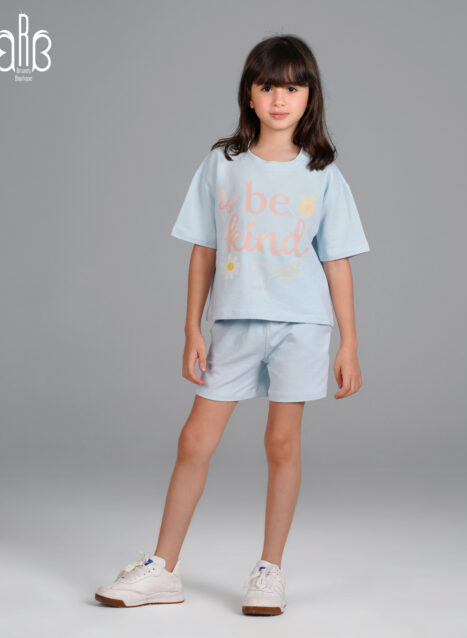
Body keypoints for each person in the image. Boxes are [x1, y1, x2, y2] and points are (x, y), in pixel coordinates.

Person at [95, 33, 371, 616]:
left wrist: (350, 342)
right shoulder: (223, 164)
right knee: (195, 440)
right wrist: (192, 329)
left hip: (301, 325)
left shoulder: (322, 172)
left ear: (310, 97)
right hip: (233, 324)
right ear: (249, 94)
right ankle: (163, 568)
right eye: (268, 87)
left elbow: (336, 261)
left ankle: (269, 569)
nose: (280, 99)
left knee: (281, 443)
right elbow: (203, 250)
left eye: (292, 88)